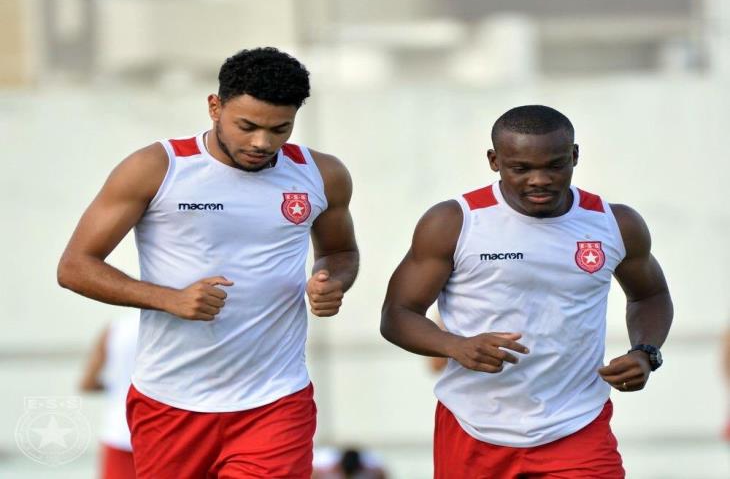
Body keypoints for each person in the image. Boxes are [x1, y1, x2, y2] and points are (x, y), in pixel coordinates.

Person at [58, 47, 359, 478]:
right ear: (215, 107)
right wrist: (168, 298)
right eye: (247, 126)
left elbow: (340, 252)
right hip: (170, 402)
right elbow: (75, 266)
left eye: (280, 129)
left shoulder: (322, 174)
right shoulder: (157, 167)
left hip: (276, 399)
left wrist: (332, 280)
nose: (262, 143)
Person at [381, 105, 673, 478]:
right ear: (494, 161)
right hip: (473, 427)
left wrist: (645, 352)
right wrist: (455, 345)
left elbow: (650, 296)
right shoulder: (454, 221)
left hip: (576, 425)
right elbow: (397, 314)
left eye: (555, 166)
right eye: (520, 168)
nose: (539, 180)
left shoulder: (615, 223)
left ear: (574, 156)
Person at [79, 314, 139, 479]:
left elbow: (87, 383)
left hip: (119, 432)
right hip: (162, 432)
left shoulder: (115, 328)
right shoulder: (177, 328)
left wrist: (116, 385)